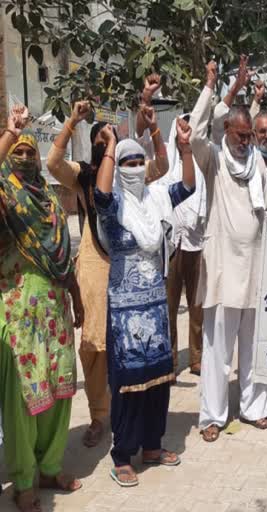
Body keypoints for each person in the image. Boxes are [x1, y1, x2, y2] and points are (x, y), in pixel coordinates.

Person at [47, 99, 168, 448]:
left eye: (110, 141)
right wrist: (72, 120)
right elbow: (53, 163)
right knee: (94, 345)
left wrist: (153, 126)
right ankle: (100, 416)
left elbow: (160, 166)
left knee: (128, 340)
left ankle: (126, 412)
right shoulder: (84, 174)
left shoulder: (130, 173)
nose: (107, 148)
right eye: (101, 143)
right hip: (95, 263)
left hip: (130, 265)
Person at [95, 116, 194, 487]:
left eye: (139, 161)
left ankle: (152, 445)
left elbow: (186, 185)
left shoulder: (155, 199)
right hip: (124, 309)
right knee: (127, 380)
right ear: (118, 167)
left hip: (155, 305)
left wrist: (184, 149)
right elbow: (101, 195)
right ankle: (122, 454)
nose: (135, 168)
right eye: (128, 162)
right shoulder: (114, 205)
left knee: (157, 377)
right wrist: (110, 145)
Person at [0, 106, 84, 512]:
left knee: (60, 390)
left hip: (56, 308)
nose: (26, 158)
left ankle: (50, 467)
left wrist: (78, 296)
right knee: (24, 397)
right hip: (18, 312)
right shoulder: (4, 198)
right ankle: (22, 480)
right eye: (18, 152)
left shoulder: (49, 198)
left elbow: (64, 255)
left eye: (29, 152)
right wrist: (9, 132)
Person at [190, 61, 267, 442]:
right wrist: (212, 86)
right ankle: (212, 416)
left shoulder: (259, 167)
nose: (245, 142)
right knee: (217, 350)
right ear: (227, 131)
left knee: (253, 346)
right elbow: (193, 134)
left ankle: (255, 409)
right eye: (240, 135)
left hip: (255, 269)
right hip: (223, 270)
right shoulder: (214, 159)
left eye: (249, 137)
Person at [159, 114, 207, 376]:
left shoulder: (200, 163)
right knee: (169, 305)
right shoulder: (167, 165)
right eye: (182, 129)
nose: (185, 133)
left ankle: (196, 357)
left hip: (197, 242)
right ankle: (171, 360)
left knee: (197, 305)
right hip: (171, 245)